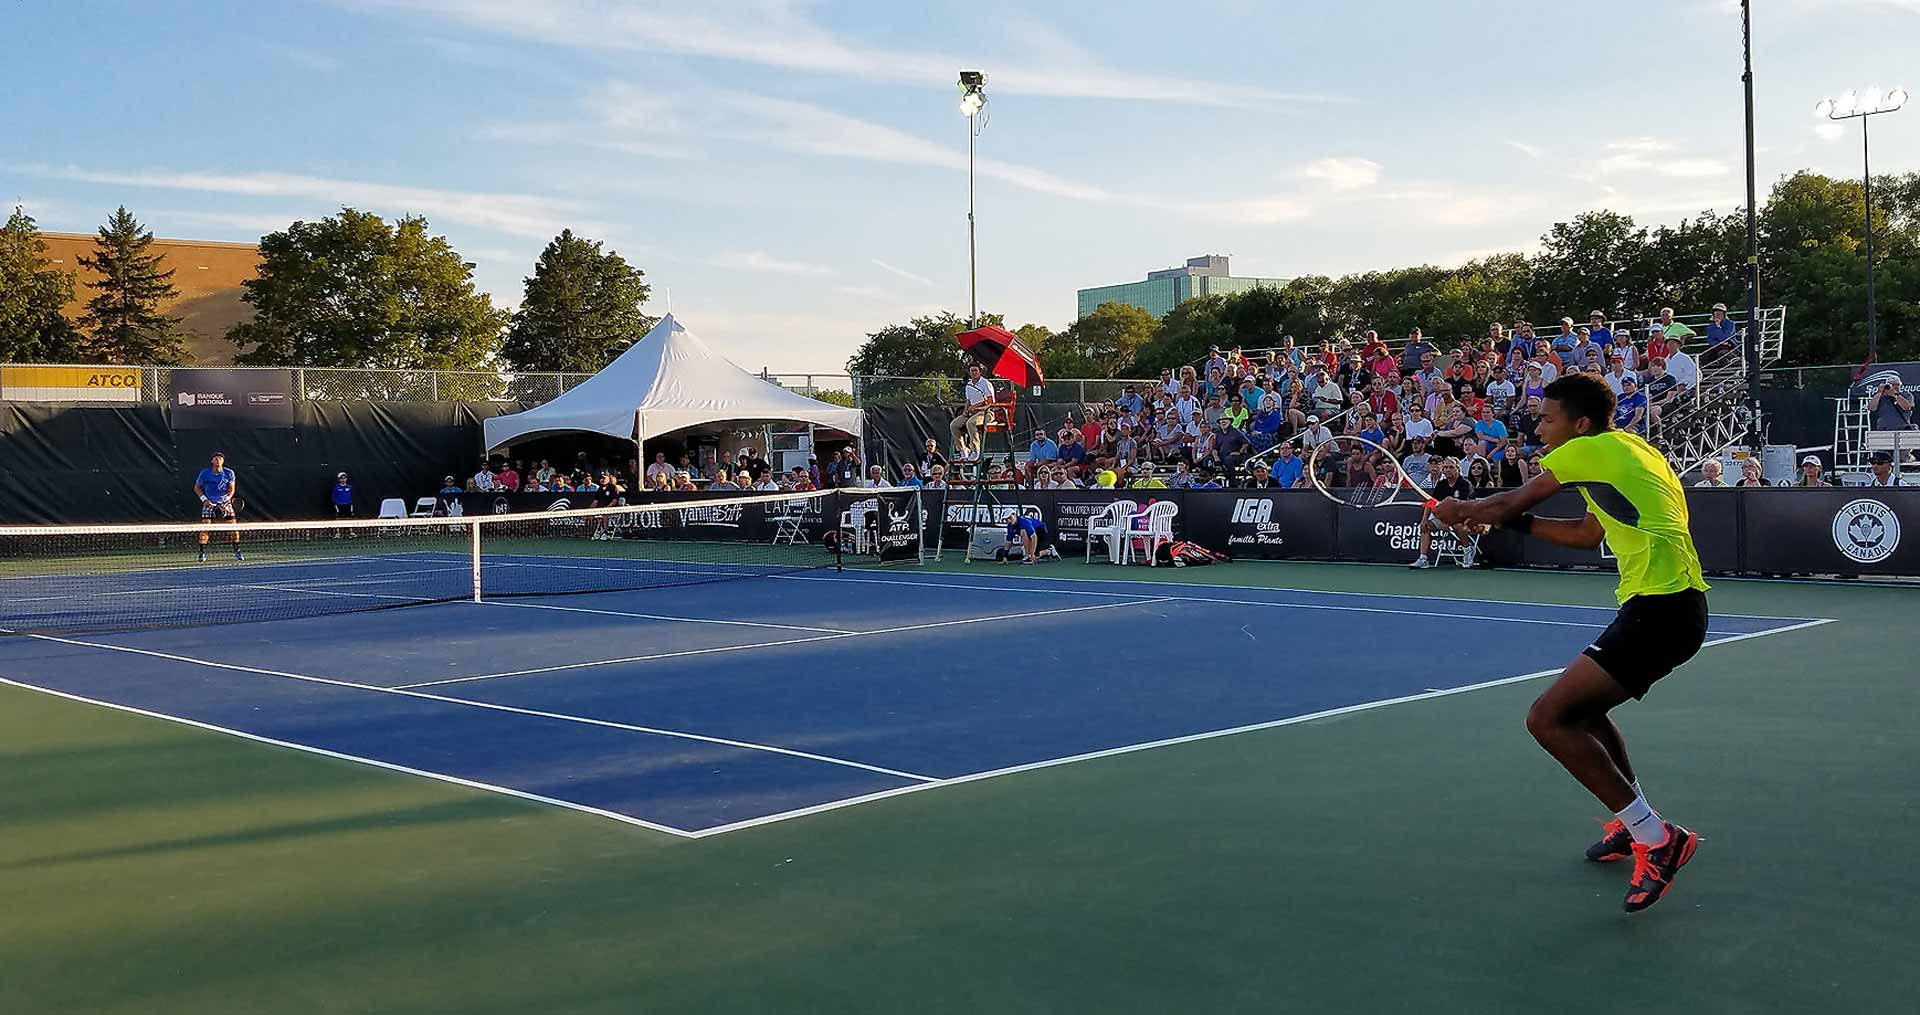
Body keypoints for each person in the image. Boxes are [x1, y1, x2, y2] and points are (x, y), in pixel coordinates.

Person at [1431, 372, 1709, 913]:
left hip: (1663, 610)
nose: (1538, 427)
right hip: (1670, 607)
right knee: (1584, 713)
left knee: (1547, 719)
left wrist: (1461, 509)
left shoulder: (1585, 452)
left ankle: (1659, 840)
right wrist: (1507, 524)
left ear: (1579, 425)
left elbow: (1501, 503)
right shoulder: (1630, 449)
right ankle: (1638, 825)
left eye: (1547, 418)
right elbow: (1586, 536)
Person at [1409, 457, 1473, 569]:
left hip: (1464, 519)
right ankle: (1423, 559)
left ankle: (1468, 550)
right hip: (1446, 519)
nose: (1448, 470)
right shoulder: (1442, 484)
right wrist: (1424, 519)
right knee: (1426, 526)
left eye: (1451, 467)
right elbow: (1431, 502)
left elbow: (1465, 507)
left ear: (1458, 469)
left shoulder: (1465, 484)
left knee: (1457, 525)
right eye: (1446, 467)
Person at [194, 451, 242, 562]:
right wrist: (204, 500)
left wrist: (226, 500)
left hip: (225, 503)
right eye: (216, 458)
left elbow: (231, 489)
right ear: (212, 461)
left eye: (220, 458)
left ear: (223, 461)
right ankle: (202, 553)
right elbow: (197, 488)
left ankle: (237, 550)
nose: (218, 460)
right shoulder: (205, 473)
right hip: (209, 503)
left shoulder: (229, 473)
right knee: (205, 529)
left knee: (234, 529)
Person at [949, 364, 995, 461]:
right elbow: (968, 401)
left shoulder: (985, 383)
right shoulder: (968, 385)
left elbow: (991, 402)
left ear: (980, 371)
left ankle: (975, 450)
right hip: (971, 413)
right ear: (969, 373)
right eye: (972, 371)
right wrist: (965, 411)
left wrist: (977, 407)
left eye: (975, 370)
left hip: (986, 413)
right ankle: (963, 450)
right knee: (954, 425)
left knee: (971, 423)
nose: (974, 373)